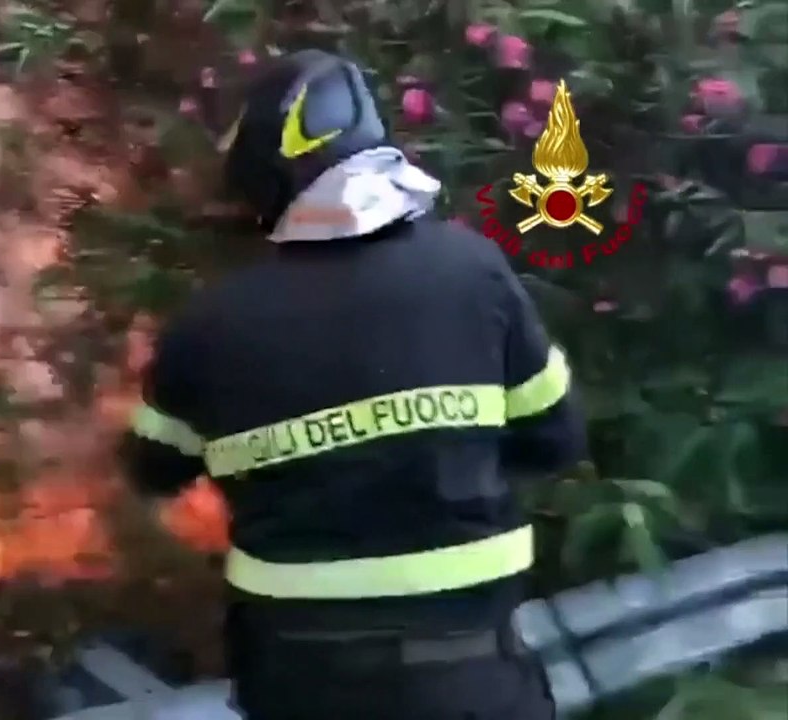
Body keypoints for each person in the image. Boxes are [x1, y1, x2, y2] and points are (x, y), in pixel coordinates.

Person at [119, 49, 586, 720]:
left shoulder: (208, 327)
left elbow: (152, 468)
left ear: (259, 178)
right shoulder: (471, 274)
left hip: (302, 683)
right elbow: (554, 439)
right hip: (472, 676)